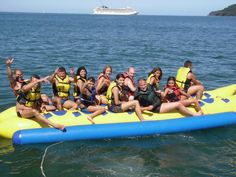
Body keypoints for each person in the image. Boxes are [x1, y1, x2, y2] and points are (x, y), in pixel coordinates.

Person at [134, 78, 202, 116]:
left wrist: (159, 93)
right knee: (178, 104)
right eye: (141, 85)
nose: (144, 86)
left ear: (146, 83)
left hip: (161, 103)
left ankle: (202, 114)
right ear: (138, 86)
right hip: (157, 108)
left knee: (194, 101)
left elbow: (153, 80)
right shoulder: (138, 95)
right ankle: (194, 115)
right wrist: (148, 108)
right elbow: (137, 107)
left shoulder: (149, 86)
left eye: (144, 84)